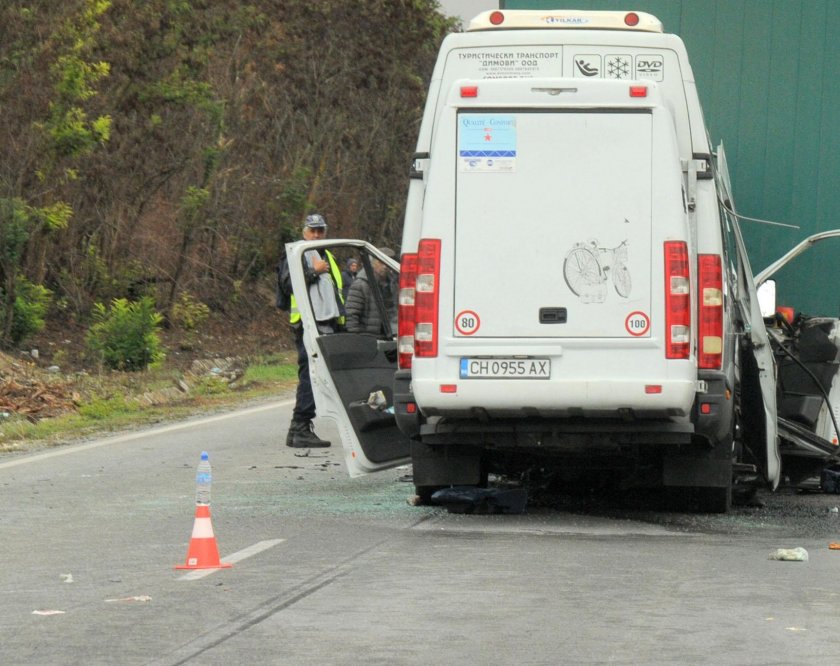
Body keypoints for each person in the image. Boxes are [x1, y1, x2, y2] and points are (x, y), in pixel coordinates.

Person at [279, 213, 345, 448]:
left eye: (320, 230)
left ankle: (300, 428)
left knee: (317, 376)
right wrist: (313, 272)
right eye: (312, 231)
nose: (316, 235)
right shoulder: (298, 253)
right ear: (304, 231)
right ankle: (299, 427)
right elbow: (287, 285)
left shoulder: (325, 254)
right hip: (308, 324)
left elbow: (334, 292)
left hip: (324, 323)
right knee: (310, 375)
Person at [345, 249, 398, 336]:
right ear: (373, 263)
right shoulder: (361, 284)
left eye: (387, 263)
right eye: (381, 262)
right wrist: (356, 338)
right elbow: (351, 315)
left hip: (386, 337)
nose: (385, 266)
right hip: (367, 338)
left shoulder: (390, 284)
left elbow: (392, 312)